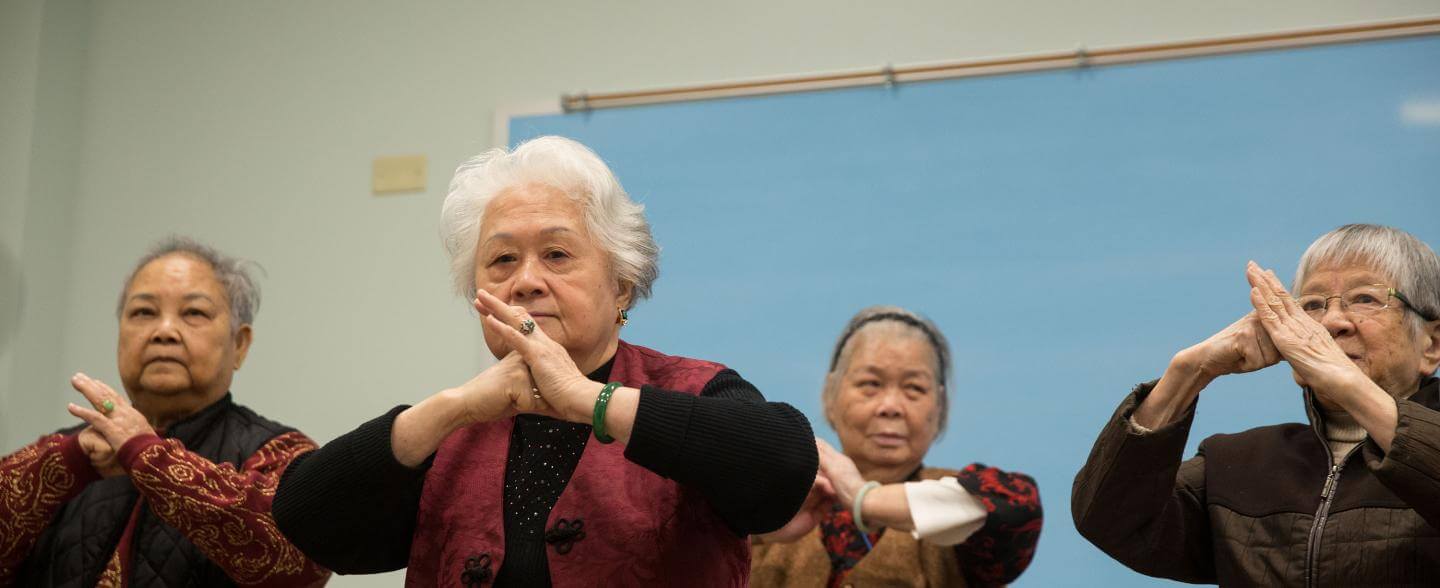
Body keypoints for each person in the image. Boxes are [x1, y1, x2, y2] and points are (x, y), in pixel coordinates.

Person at [271, 136, 818, 586]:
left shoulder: (692, 389)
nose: (526, 281)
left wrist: (587, 398)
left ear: (621, 285)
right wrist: (453, 408)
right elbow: (306, 522)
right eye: (502, 260)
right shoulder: (455, 432)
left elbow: (782, 466)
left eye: (557, 254)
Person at [1072, 224, 1440, 585]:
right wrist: (1186, 373)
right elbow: (1111, 521)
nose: (1331, 322)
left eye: (1365, 299)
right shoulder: (1239, 465)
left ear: (1432, 345)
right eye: (1311, 305)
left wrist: (1351, 388)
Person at [0, 237, 329, 587]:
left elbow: (299, 561)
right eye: (144, 312)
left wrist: (144, 453)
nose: (164, 331)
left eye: (194, 313)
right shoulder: (71, 451)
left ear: (239, 344)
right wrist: (70, 461)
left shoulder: (281, 452)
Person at [752, 306, 1043, 587]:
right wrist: (757, 531)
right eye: (870, 384)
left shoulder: (964, 510)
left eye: (914, 388)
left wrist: (863, 498)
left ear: (940, 408)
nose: (891, 406)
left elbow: (1018, 508)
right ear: (831, 396)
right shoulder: (775, 504)